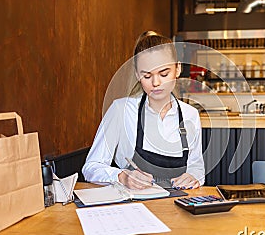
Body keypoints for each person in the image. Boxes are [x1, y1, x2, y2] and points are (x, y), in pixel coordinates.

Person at [82, 31, 205, 190]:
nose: (156, 82)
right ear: (137, 74)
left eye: (164, 73)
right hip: (132, 209)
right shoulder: (121, 111)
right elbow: (91, 167)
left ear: (178, 69)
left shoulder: (190, 115)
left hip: (176, 209)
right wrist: (121, 176)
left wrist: (193, 177)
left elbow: (197, 167)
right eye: (147, 76)